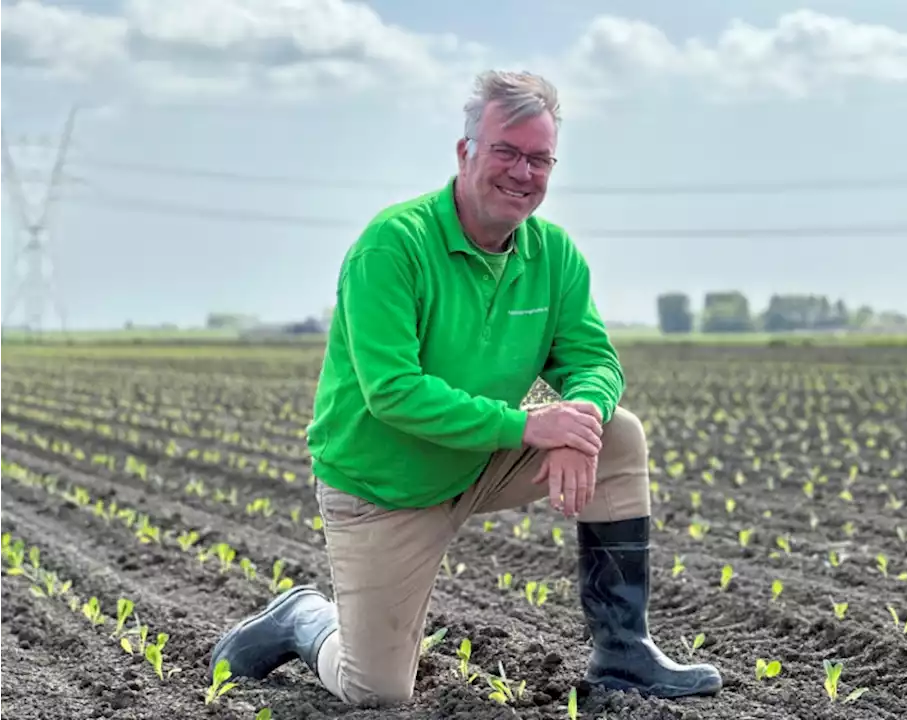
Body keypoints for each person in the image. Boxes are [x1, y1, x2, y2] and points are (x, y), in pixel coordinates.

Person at [206, 69, 723, 706]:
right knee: (377, 693)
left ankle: (623, 651)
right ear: (465, 152)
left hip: (479, 459)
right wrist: (531, 426)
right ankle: (304, 619)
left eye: (539, 158)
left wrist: (578, 419)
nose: (522, 171)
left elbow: (594, 359)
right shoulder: (394, 246)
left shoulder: (554, 256)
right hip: (384, 487)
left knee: (616, 434)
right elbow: (392, 390)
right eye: (505, 151)